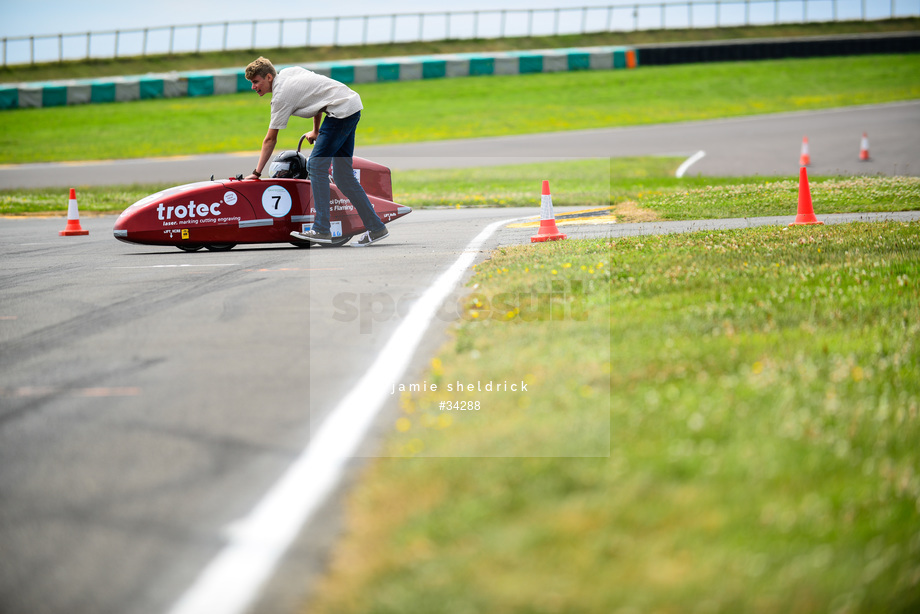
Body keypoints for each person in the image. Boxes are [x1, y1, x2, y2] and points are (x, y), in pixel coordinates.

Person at [244, 56, 388, 246]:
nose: (253, 87)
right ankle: (376, 227)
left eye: (256, 82)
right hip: (350, 105)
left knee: (315, 165)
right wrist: (316, 130)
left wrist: (256, 173)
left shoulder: (280, 97)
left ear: (269, 77)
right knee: (343, 176)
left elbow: (270, 139)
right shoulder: (289, 72)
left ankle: (321, 229)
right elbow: (318, 96)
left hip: (341, 112)